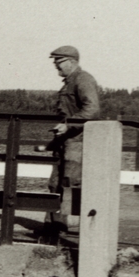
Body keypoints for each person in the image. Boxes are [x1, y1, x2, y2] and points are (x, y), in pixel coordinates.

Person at [45, 45, 100, 233]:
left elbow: (92, 108)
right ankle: (53, 227)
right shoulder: (70, 82)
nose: (55, 66)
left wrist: (69, 124)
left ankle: (81, 230)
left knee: (70, 184)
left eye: (58, 62)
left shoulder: (83, 80)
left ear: (72, 61)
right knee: (56, 183)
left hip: (76, 143)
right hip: (65, 142)